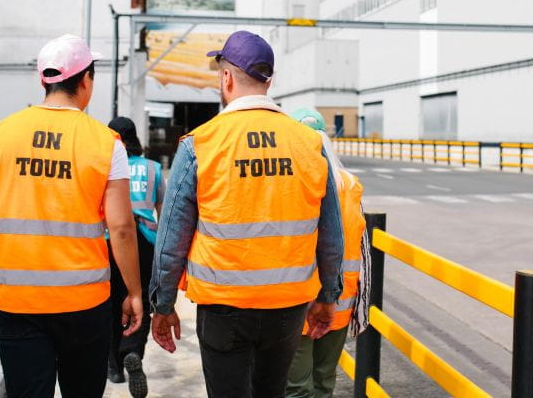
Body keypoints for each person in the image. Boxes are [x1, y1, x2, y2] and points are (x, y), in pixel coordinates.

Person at [149, 30, 345, 398]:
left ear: (226, 78)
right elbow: (331, 234)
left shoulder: (201, 144)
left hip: (224, 307)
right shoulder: (309, 143)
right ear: (269, 81)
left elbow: (172, 236)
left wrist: (162, 304)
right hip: (287, 306)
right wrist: (328, 296)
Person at [0, 34, 144, 398]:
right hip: (83, 302)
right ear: (86, 81)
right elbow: (122, 227)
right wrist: (135, 292)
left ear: (43, 80)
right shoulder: (106, 142)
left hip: (17, 301)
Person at [284, 108, 369, 398]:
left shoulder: (293, 184)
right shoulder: (350, 185)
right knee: (323, 383)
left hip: (299, 302)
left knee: (296, 387)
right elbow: (363, 252)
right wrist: (361, 308)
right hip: (340, 304)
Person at [106, 116, 164, 398]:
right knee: (139, 299)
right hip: (146, 242)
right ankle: (133, 353)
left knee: (112, 302)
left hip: (110, 242)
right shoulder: (153, 169)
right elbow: (165, 215)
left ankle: (114, 366)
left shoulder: (104, 166)